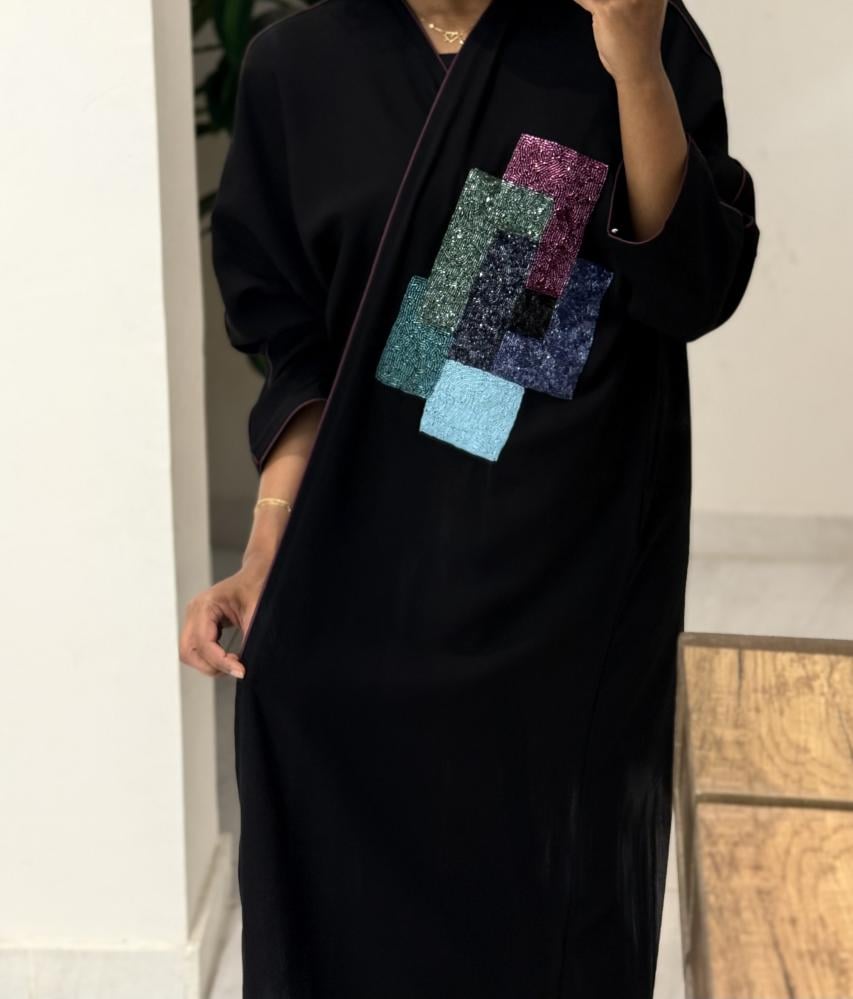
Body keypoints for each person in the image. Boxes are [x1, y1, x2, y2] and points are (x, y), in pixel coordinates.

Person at [180, 0, 759, 995]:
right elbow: (304, 346)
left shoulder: (619, 32)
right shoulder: (297, 69)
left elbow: (687, 288)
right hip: (358, 585)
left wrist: (634, 65)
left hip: (565, 597)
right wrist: (265, 554)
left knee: (548, 917)